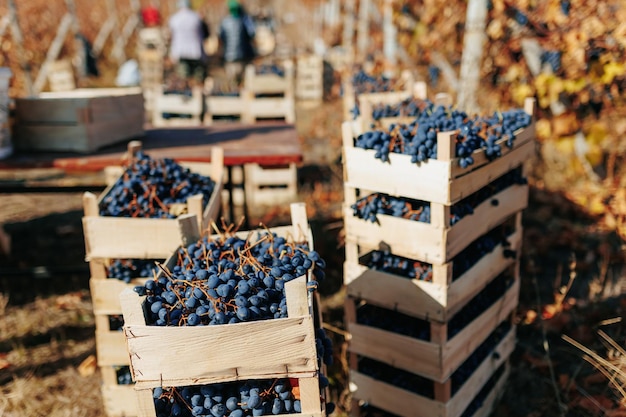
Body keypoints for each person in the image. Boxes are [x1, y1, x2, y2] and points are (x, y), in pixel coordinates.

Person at [168, 0, 208, 86]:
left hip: (181, 52)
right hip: (196, 52)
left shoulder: (174, 19)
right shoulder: (196, 17)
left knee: (184, 80)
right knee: (198, 80)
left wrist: (172, 53)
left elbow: (172, 37)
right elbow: (203, 36)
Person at [218, 0, 256, 88]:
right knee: (243, 83)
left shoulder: (225, 22)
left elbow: (221, 39)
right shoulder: (244, 21)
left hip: (229, 58)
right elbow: (252, 34)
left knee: (232, 84)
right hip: (242, 57)